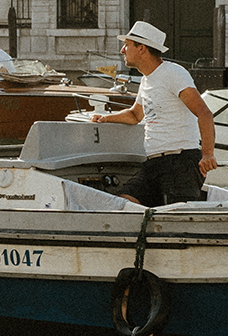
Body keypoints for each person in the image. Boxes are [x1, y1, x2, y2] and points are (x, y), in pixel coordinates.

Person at [90, 21, 217, 205]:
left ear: (141, 48)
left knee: (176, 219)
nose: (122, 50)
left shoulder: (173, 73)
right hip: (153, 163)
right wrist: (106, 118)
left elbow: (204, 113)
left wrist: (207, 154)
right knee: (124, 203)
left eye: (127, 44)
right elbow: (135, 115)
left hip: (180, 163)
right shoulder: (146, 80)